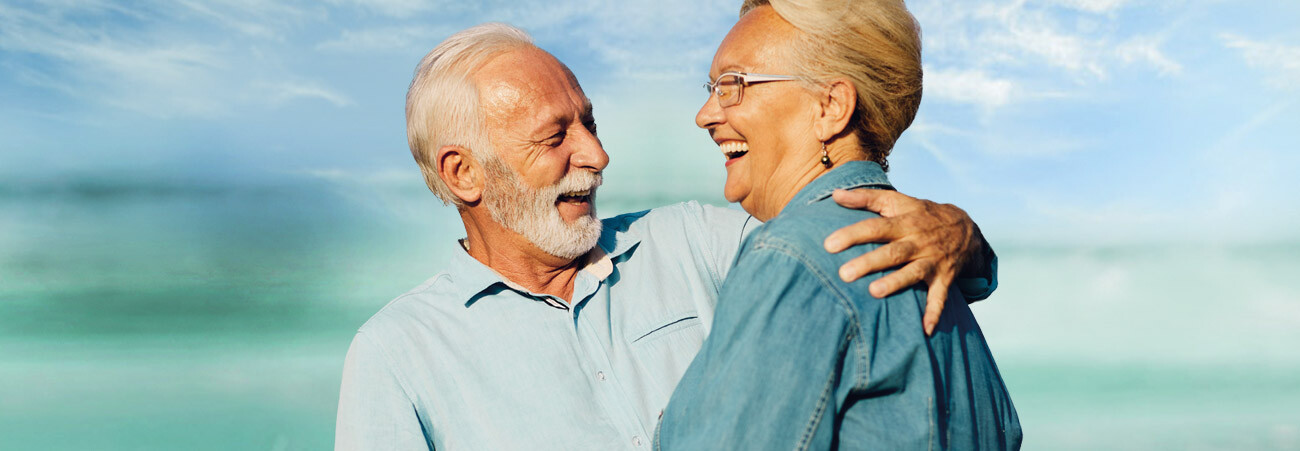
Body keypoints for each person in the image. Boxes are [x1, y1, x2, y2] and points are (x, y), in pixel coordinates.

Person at [335, 22, 1000, 451]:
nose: (597, 155)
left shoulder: (693, 241)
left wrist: (962, 233)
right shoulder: (396, 352)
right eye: (555, 136)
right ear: (463, 173)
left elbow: (839, 248)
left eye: (589, 122)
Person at [655, 1, 1022, 449]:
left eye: (733, 85)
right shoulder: (948, 285)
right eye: (712, 87)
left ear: (831, 106)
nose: (705, 115)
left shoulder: (792, 256)